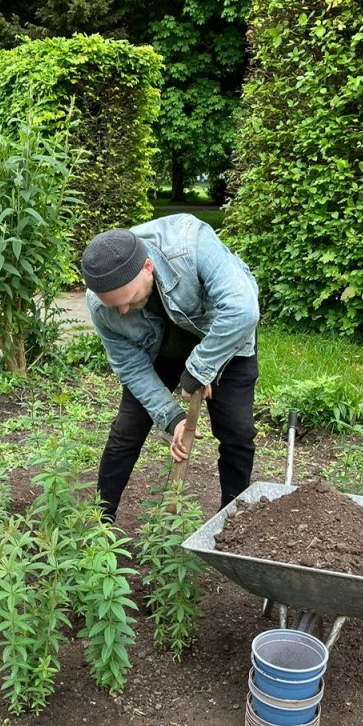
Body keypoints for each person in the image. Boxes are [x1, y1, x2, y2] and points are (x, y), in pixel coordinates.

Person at [80, 214, 259, 520]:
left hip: (221, 337)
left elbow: (242, 310)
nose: (122, 310)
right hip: (159, 348)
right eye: (114, 305)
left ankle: (233, 522)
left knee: (237, 433)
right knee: (126, 432)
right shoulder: (101, 305)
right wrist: (173, 417)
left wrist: (202, 368)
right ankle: (101, 520)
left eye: (129, 299)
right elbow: (131, 367)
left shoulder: (191, 242)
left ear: (147, 266)